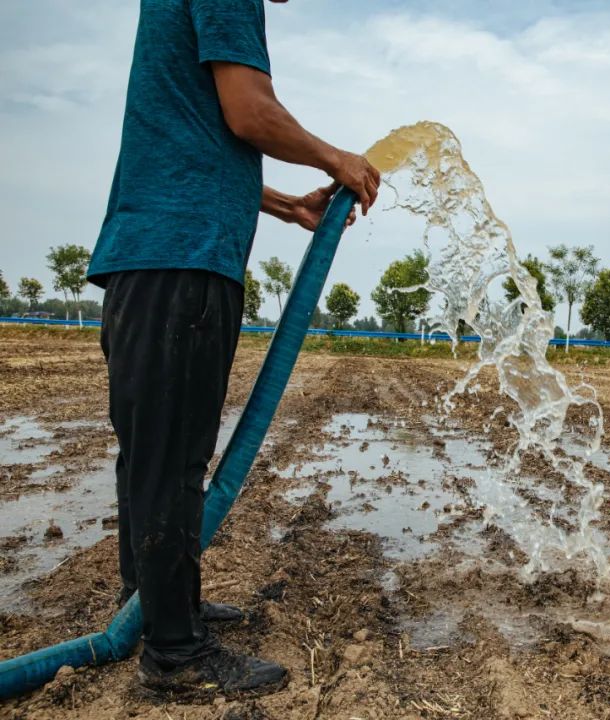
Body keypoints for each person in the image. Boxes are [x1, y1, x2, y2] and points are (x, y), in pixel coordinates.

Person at [85, 0, 380, 696]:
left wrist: (285, 206)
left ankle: (155, 605)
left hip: (155, 254)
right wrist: (338, 158)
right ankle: (174, 653)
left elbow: (198, 138)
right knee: (173, 458)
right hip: (182, 259)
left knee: (154, 450)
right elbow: (250, 111)